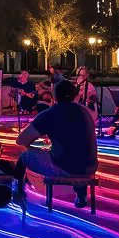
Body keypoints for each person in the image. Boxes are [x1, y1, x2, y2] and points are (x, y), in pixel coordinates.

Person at [16, 79, 98, 208]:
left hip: (65, 166)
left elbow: (21, 140)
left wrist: (33, 142)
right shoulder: (85, 112)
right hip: (90, 165)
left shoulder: (50, 114)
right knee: (77, 153)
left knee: (24, 155)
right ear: (75, 96)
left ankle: (17, 189)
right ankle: (81, 194)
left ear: (54, 96)